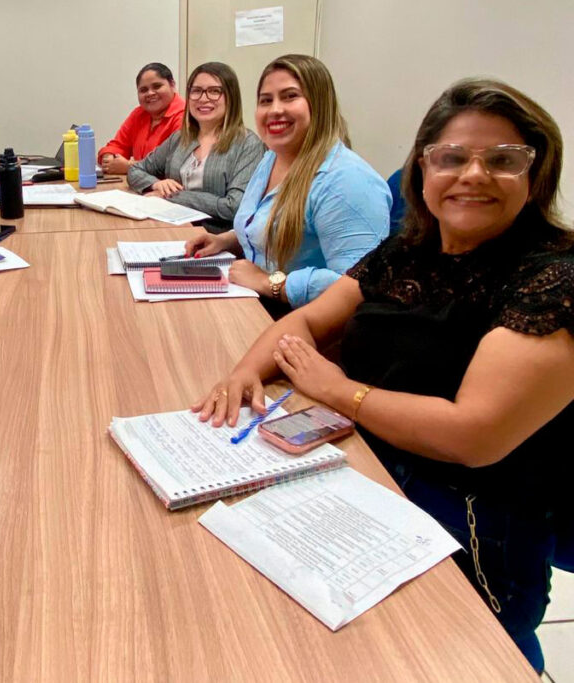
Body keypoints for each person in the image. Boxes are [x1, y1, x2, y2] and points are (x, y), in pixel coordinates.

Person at [193, 78, 574, 672]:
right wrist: (244, 372)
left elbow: (473, 434)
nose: (473, 175)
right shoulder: (409, 250)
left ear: (536, 174)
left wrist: (336, 389)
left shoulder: (553, 277)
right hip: (366, 471)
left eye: (502, 160)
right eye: (452, 158)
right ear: (423, 168)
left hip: (473, 521)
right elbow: (308, 320)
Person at [185, 55, 390, 311]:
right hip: (253, 301)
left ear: (319, 103)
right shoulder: (272, 157)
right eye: (265, 100)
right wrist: (227, 240)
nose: (274, 110)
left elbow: (360, 286)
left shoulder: (347, 180)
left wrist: (269, 282)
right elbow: (274, 227)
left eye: (290, 96)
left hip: (302, 322)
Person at [127, 61, 264, 233]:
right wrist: (156, 184)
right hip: (170, 229)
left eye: (214, 91)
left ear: (231, 97)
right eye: (196, 91)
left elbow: (234, 206)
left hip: (214, 239)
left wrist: (172, 196)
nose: (203, 99)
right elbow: (135, 170)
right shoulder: (180, 137)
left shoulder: (248, 144)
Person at [98, 62, 186, 176]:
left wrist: (130, 166)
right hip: (139, 182)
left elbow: (175, 166)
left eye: (157, 86)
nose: (150, 93)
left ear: (172, 85)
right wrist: (109, 157)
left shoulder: (185, 116)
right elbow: (118, 146)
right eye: (143, 90)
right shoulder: (139, 114)